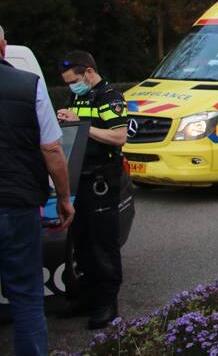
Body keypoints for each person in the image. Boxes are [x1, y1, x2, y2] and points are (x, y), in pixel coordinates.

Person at [0, 25, 75, 355]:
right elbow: (52, 149)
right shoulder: (28, 85)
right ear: (3, 48)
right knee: (27, 296)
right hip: (17, 205)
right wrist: (63, 198)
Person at [55, 50, 126, 330]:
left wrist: (82, 127)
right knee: (81, 241)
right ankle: (87, 296)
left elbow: (119, 136)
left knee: (102, 243)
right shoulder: (79, 96)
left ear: (88, 72)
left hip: (102, 180)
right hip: (79, 178)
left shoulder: (109, 97)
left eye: (73, 80)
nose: (71, 86)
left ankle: (107, 302)